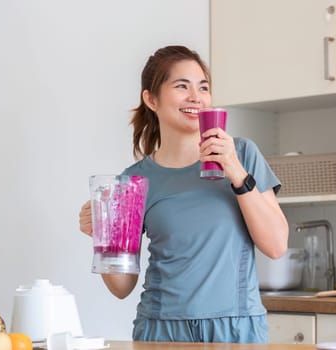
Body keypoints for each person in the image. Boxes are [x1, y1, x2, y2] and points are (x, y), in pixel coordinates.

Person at [78, 45, 288, 343]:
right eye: (181, 86)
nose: (196, 97)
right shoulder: (134, 180)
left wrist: (234, 170)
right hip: (161, 329)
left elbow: (277, 245)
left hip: (235, 328)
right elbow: (122, 286)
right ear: (151, 99)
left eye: (203, 87)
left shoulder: (242, 154)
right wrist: (101, 235)